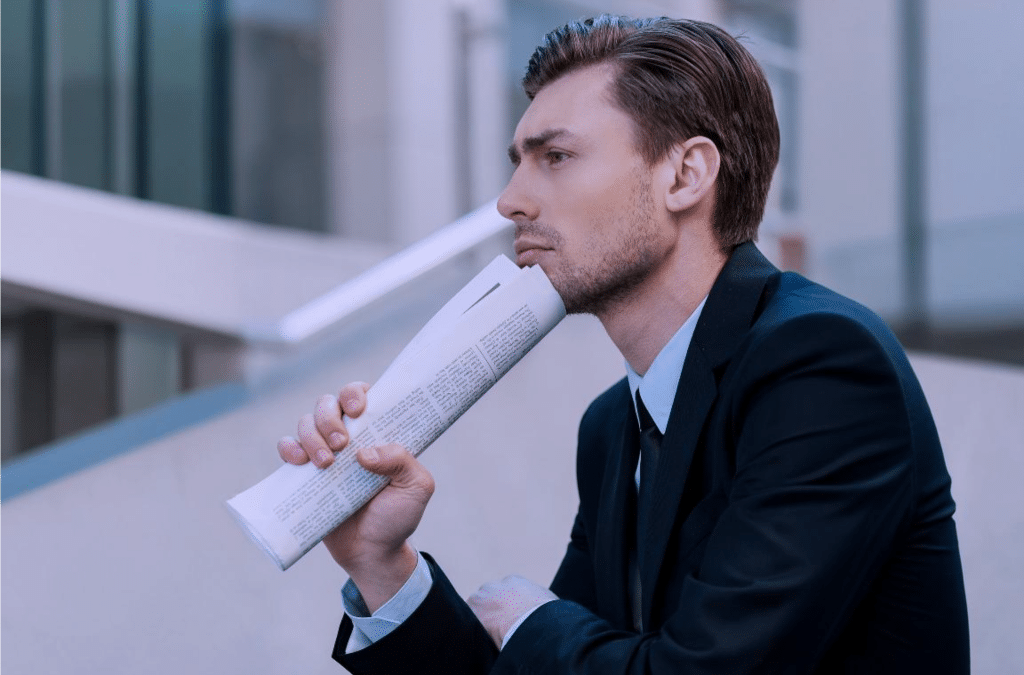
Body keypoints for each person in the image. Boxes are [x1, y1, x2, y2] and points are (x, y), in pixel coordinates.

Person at [277, 15, 970, 674]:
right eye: (519, 161)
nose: (510, 200)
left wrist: (529, 618)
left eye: (556, 156)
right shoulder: (613, 426)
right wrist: (382, 563)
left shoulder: (819, 367)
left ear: (686, 174)